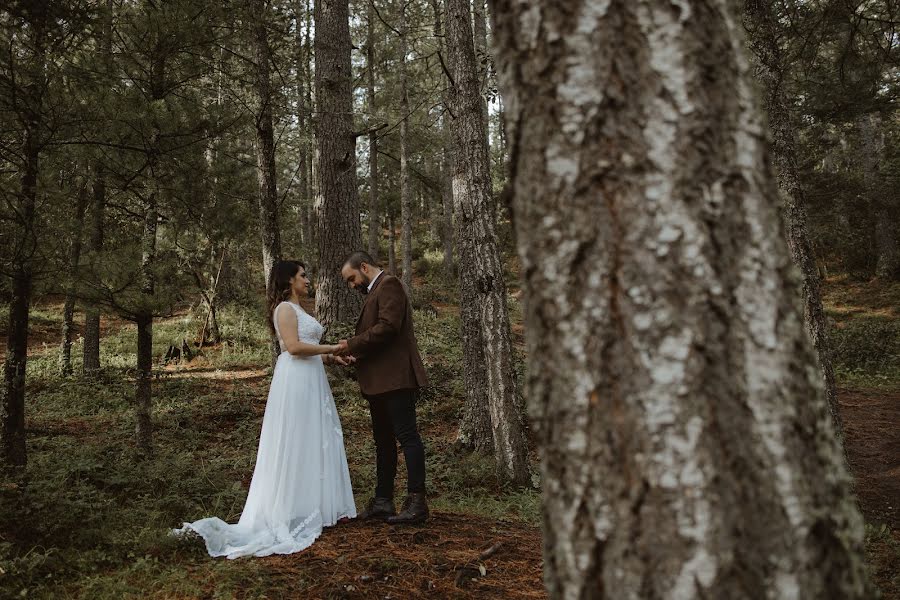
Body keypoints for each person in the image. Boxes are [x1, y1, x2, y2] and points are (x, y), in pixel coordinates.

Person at [173, 260, 357, 558]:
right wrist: (333, 348)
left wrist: (332, 359)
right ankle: (291, 509)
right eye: (303, 275)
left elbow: (308, 348)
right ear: (289, 280)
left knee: (315, 438)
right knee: (297, 439)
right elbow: (294, 349)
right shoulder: (284, 309)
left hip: (311, 378)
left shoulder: (299, 310)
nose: (308, 280)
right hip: (295, 381)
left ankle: (319, 506)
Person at [338, 251, 429, 524]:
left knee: (407, 437)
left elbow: (389, 327)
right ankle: (383, 501)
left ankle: (417, 503)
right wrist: (357, 355)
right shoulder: (376, 290)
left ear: (364, 267)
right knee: (383, 442)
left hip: (396, 379)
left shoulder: (389, 284)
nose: (352, 285)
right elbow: (380, 338)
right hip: (380, 381)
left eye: (352, 278)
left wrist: (351, 344)